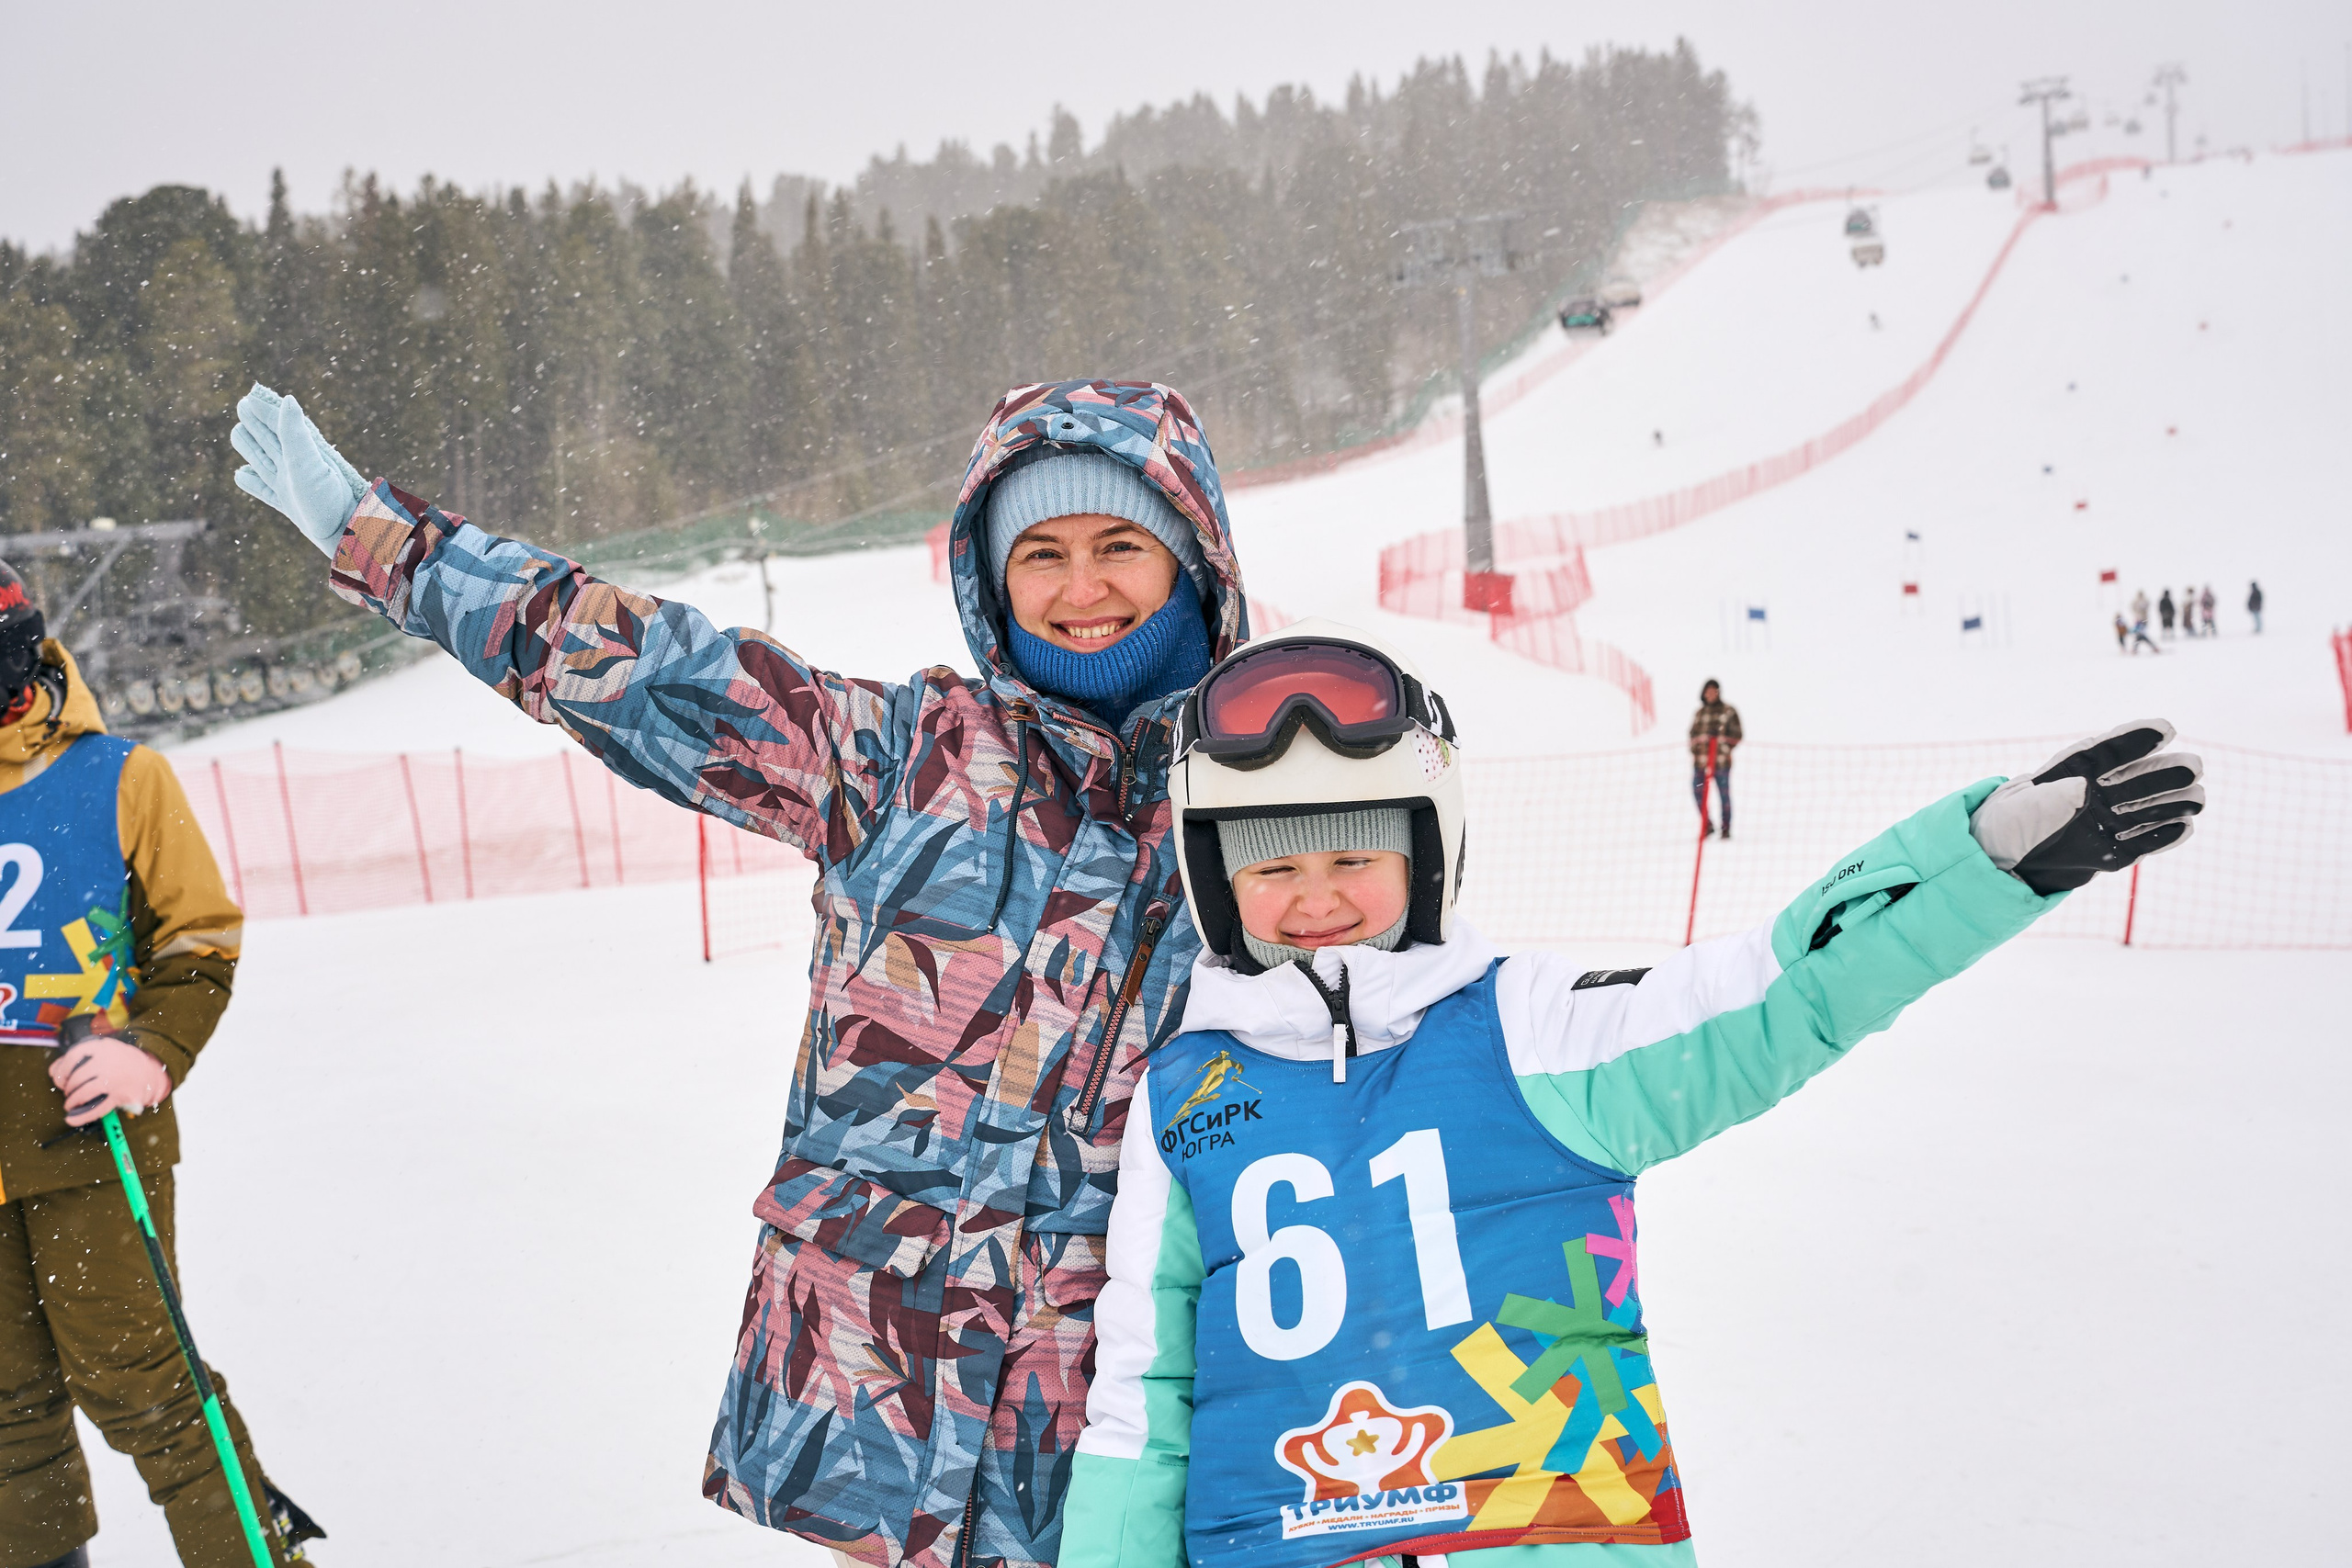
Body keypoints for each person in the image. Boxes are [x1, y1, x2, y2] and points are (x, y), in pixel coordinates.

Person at [228, 378, 1248, 1568]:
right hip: (882, 1420)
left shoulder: (1259, 805)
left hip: (1124, 1456)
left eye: (1120, 543)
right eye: (1043, 551)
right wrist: (389, 543)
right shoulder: (899, 758)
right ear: (991, 575)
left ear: (1191, 558)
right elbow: (649, 669)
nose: (1081, 589)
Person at [1061, 619, 2205, 1567]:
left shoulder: (1534, 1027)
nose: (1316, 897)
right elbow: (1141, 1398)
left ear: (1425, 851)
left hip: (1551, 1531)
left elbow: (1772, 996)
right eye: (1272, 865)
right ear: (1217, 876)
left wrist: (1980, 863)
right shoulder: (1183, 1097)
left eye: (1355, 854)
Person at [0, 562, 319, 1567]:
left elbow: (200, 940)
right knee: (4, 1411)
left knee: (147, 1385)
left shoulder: (119, 776)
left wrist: (153, 1048)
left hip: (87, 1137)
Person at [1687, 680, 1739, 839]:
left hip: (1721, 763)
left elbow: (1737, 735)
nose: (1710, 694)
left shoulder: (1728, 711)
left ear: (1718, 692)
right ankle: (1707, 824)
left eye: (1713, 691)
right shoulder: (1699, 713)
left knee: (1723, 794)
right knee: (1698, 791)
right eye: (1707, 691)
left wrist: (1722, 742)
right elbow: (1692, 736)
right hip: (1701, 764)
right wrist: (1697, 747)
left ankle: (1726, 827)